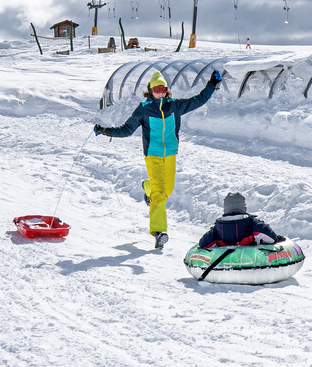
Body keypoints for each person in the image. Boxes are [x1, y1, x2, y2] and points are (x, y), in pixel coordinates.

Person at [95, 70, 222, 249]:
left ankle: (148, 188)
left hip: (170, 154)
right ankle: (159, 232)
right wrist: (104, 130)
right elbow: (126, 130)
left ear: (167, 90)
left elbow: (198, 100)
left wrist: (212, 85)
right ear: (150, 90)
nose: (160, 92)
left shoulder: (174, 106)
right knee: (160, 194)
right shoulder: (144, 109)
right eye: (156, 89)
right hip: (153, 155)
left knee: (166, 190)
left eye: (163, 88)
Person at [197, 192, 284, 249]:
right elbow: (271, 238)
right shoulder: (252, 224)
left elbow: (203, 244)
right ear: (243, 207)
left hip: (224, 266)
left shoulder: (218, 228)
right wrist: (277, 238)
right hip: (253, 263)